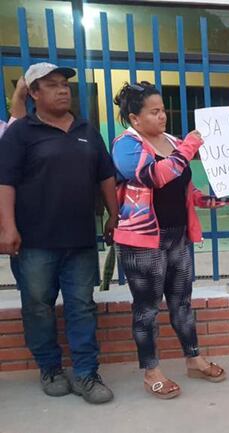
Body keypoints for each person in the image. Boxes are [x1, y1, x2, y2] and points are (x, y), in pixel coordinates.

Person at [0, 63, 117, 404]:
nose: (63, 90)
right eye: (51, 85)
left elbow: (105, 174)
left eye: (64, 84)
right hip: (34, 241)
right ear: (34, 94)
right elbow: (4, 182)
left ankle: (86, 374)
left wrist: (113, 214)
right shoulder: (21, 133)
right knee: (38, 306)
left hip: (80, 239)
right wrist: (7, 227)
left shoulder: (85, 129)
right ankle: (50, 368)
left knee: (82, 307)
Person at [111, 82, 229, 399]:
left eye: (162, 109)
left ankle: (193, 359)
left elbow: (182, 186)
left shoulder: (173, 142)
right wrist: (189, 147)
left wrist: (205, 201)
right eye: (154, 111)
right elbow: (154, 176)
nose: (162, 115)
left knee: (182, 303)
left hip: (178, 236)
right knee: (147, 310)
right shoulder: (126, 145)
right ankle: (151, 372)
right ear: (135, 119)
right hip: (142, 240)